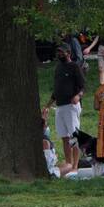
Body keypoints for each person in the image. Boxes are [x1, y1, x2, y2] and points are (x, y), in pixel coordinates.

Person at [41, 44, 85, 176]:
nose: (59, 54)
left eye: (62, 52)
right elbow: (57, 88)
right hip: (60, 106)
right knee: (64, 137)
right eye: (58, 52)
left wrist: (78, 96)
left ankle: (76, 166)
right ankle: (68, 164)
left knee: (74, 136)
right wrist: (49, 104)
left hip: (71, 106)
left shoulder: (74, 67)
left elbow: (83, 86)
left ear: (68, 53)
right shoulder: (58, 68)